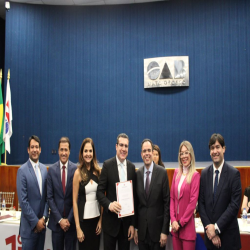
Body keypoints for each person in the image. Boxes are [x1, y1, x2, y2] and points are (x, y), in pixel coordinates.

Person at [198, 133, 242, 250]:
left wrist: (216, 228)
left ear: (224, 149)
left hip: (228, 240)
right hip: (210, 240)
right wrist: (210, 230)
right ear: (209, 151)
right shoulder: (204, 174)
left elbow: (234, 206)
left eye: (218, 147)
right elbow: (201, 204)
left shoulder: (234, 174)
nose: (215, 151)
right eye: (212, 148)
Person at [97, 133, 136, 250]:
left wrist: (132, 224)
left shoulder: (132, 168)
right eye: (121, 145)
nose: (123, 149)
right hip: (110, 226)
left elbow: (134, 197)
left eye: (126, 146)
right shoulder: (107, 165)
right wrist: (109, 205)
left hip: (126, 227)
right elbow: (99, 192)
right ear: (116, 146)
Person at [134, 139, 170, 250]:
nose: (147, 153)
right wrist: (136, 228)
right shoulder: (137, 174)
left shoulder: (162, 173)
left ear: (152, 151)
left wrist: (164, 231)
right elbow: (136, 204)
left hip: (158, 234)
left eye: (149, 150)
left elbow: (167, 204)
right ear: (141, 154)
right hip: (142, 235)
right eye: (144, 151)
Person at [16, 135, 49, 250]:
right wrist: (36, 222)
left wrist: (44, 218)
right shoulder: (22, 171)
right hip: (29, 229)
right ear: (28, 150)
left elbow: (46, 198)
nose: (34, 150)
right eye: (32, 147)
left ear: (40, 149)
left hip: (42, 229)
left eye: (37, 147)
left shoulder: (45, 170)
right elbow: (23, 202)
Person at [47, 137, 77, 250]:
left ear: (69, 151)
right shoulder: (51, 170)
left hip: (71, 224)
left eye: (66, 150)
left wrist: (68, 220)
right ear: (58, 151)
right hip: (56, 224)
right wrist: (60, 220)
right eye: (61, 150)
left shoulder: (75, 170)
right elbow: (49, 197)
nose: (63, 153)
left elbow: (77, 197)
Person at [73, 138, 102, 250]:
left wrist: (101, 221)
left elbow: (101, 198)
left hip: (96, 223)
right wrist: (78, 228)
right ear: (82, 153)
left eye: (90, 151)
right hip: (83, 223)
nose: (88, 154)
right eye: (86, 151)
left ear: (93, 153)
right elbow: (74, 202)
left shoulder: (98, 172)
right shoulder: (77, 173)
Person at [170, 141, 200, 250]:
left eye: (186, 153)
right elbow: (172, 198)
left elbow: (192, 203)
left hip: (186, 229)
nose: (184, 156)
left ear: (191, 154)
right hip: (175, 230)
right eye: (181, 153)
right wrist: (173, 220)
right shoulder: (176, 173)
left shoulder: (195, 176)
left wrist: (180, 223)